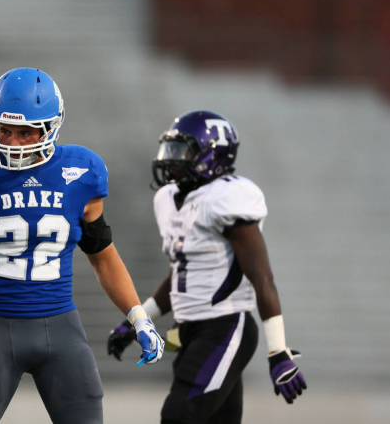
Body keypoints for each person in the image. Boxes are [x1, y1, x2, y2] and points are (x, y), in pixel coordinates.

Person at [0, 67, 165, 424]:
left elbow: (103, 257)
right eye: (3, 129)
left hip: (61, 330)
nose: (11, 142)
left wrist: (138, 316)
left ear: (50, 128)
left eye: (25, 132)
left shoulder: (80, 172)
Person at [106, 110, 307, 423]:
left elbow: (262, 277)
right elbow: (182, 273)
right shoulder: (169, 198)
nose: (170, 160)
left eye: (181, 151)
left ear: (212, 155)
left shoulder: (226, 197)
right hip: (190, 330)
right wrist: (139, 320)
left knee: (179, 414)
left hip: (225, 327)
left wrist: (278, 350)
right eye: (169, 150)